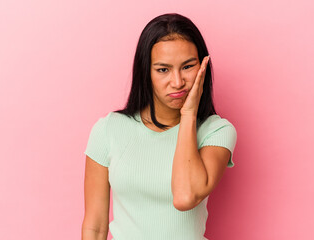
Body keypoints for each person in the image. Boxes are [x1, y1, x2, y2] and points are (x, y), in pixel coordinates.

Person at [81, 13, 237, 240]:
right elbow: (94, 227)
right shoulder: (108, 130)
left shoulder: (217, 132)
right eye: (163, 69)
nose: (177, 82)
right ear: (146, 72)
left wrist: (189, 114)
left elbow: (185, 197)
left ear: (203, 65)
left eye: (188, 66)